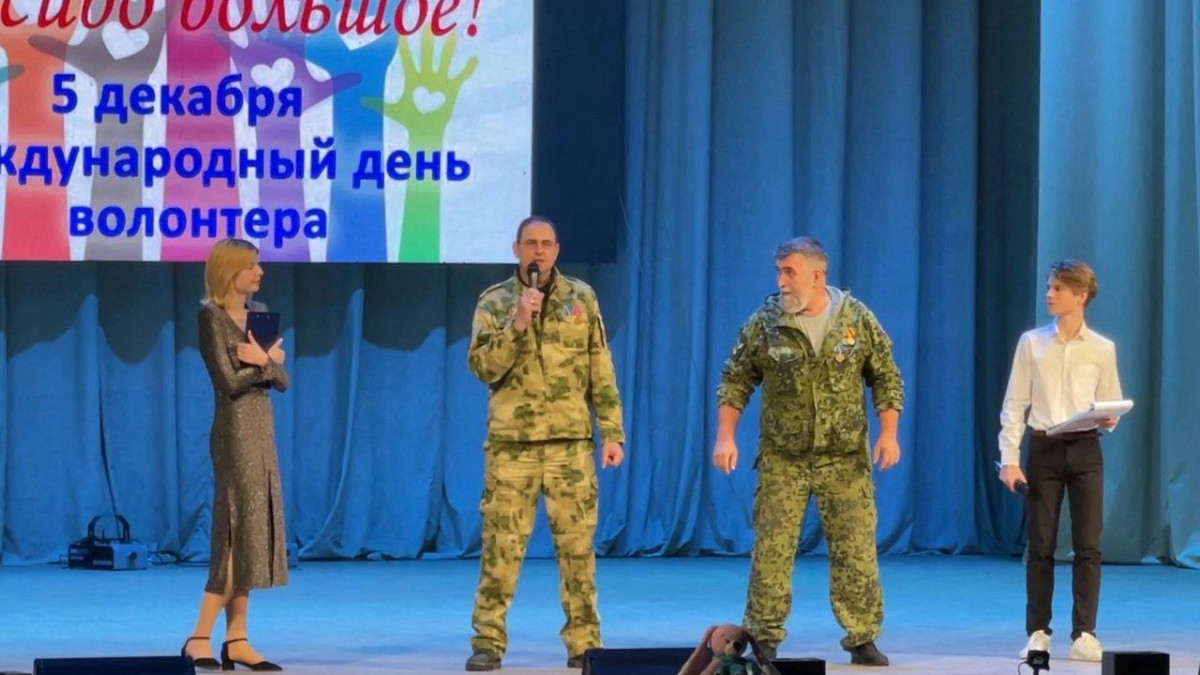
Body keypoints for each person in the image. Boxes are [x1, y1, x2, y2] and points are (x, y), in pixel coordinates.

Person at [712, 237, 903, 667]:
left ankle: (862, 637)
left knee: (856, 551)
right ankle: (763, 637)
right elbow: (735, 379)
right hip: (784, 458)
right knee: (771, 552)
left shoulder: (855, 319)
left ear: (817, 276)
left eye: (790, 272)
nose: (781, 281)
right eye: (778, 271)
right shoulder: (767, 322)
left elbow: (886, 377)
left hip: (844, 459)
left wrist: (888, 433)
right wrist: (726, 436)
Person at [464, 216, 626, 671]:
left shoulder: (581, 298)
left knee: (577, 552)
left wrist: (612, 431)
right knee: (501, 549)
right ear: (516, 248)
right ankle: (488, 641)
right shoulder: (495, 302)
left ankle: (584, 642)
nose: (539, 251)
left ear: (557, 249)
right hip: (512, 447)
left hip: (570, 446)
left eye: (546, 244)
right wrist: (517, 324)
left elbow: (600, 368)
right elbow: (481, 367)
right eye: (531, 243)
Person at [999, 260, 1123, 663]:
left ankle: (1085, 633)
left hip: (1086, 449)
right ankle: (1038, 632)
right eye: (1049, 287)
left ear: (1080, 296)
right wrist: (1009, 459)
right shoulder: (1031, 343)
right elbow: (1014, 404)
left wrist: (1110, 417)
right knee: (1041, 545)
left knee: (1089, 546)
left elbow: (1111, 402)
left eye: (1058, 288)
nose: (1049, 294)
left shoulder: (1102, 349)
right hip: (1044, 449)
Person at [182, 238, 289, 672]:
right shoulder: (211, 317)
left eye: (259, 264)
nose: (259, 272)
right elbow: (228, 381)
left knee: (251, 534)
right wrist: (265, 363)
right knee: (234, 534)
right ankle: (198, 636)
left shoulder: (260, 314)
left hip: (262, 430)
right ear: (230, 272)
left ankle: (237, 638)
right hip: (234, 433)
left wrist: (264, 361)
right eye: (251, 266)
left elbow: (282, 380)